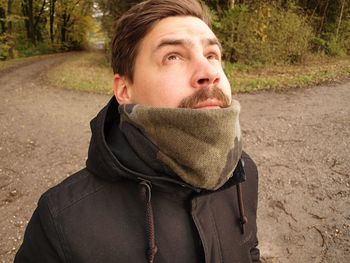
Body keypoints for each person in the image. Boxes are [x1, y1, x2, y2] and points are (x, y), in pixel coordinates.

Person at [15, 0, 260, 262]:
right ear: (124, 90)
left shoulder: (243, 172)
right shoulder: (60, 219)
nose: (209, 72)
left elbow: (250, 251)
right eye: (173, 56)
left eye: (212, 55)